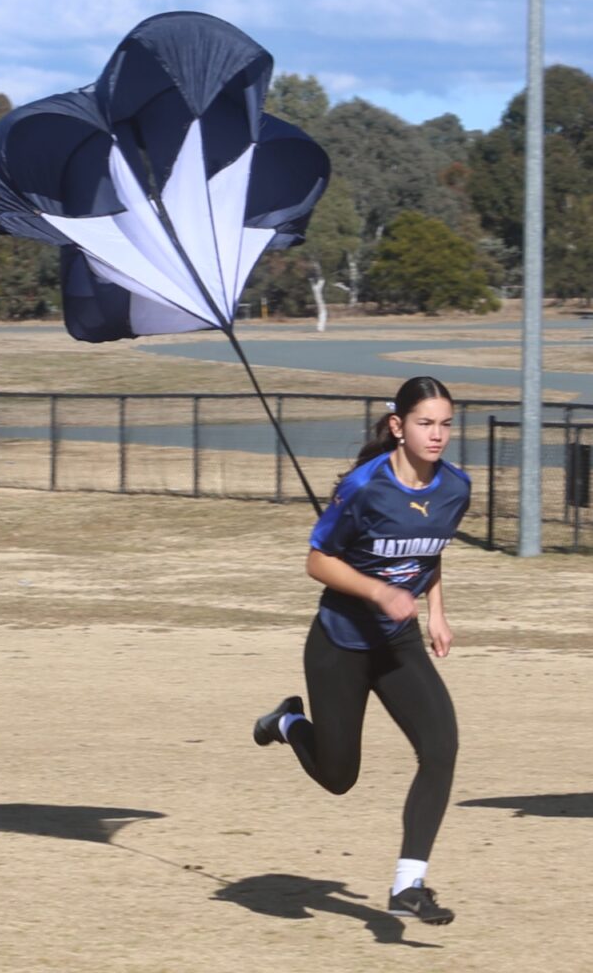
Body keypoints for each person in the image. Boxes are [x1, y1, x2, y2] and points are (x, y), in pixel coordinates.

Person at [253, 375, 470, 926]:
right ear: (398, 426)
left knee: (441, 748)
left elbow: (431, 549)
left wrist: (437, 612)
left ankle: (408, 886)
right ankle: (286, 723)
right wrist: (378, 590)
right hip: (339, 645)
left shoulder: (456, 488)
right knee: (338, 777)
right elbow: (317, 562)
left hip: (397, 646)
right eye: (425, 423)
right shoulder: (364, 488)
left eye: (446, 423)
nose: (437, 434)